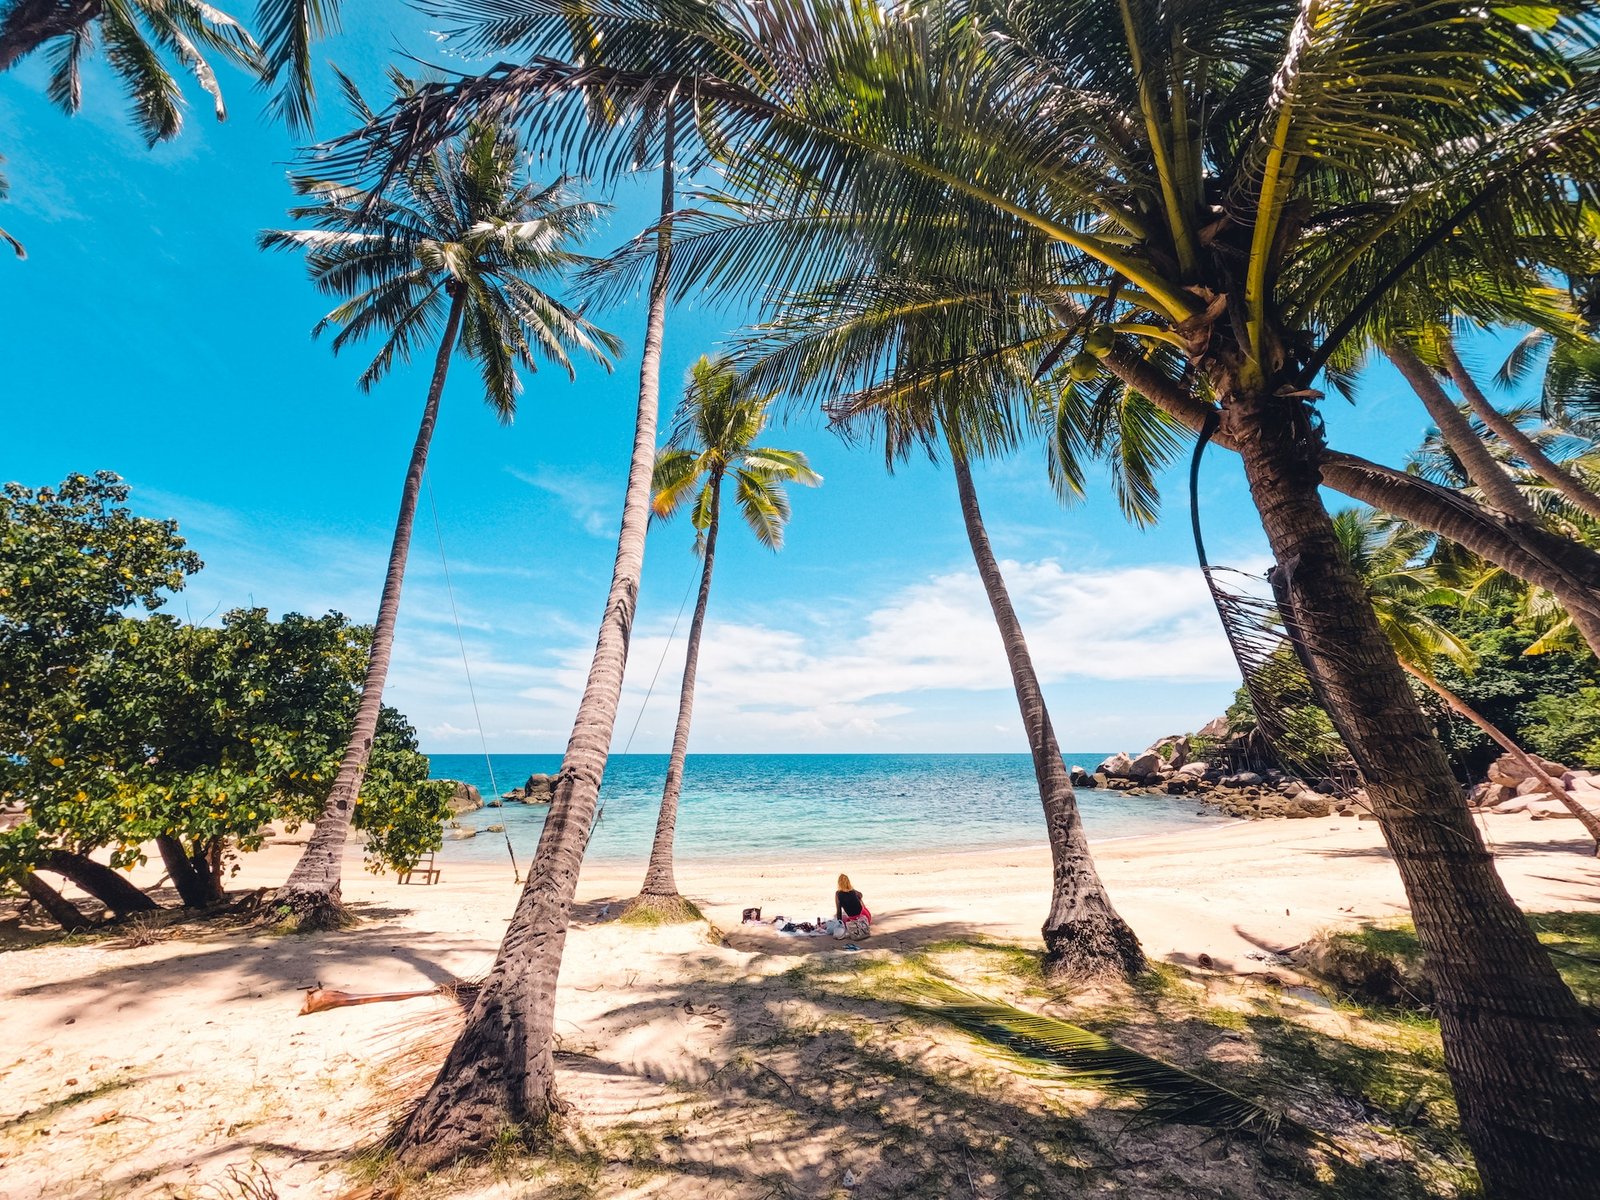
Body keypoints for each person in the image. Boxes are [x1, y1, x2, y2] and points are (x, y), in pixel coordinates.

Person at [834, 873, 871, 939]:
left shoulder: (838, 894)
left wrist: (839, 924)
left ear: (839, 883)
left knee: (842, 917)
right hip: (865, 917)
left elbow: (839, 911)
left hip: (853, 919)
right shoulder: (853, 891)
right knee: (859, 901)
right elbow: (861, 894)